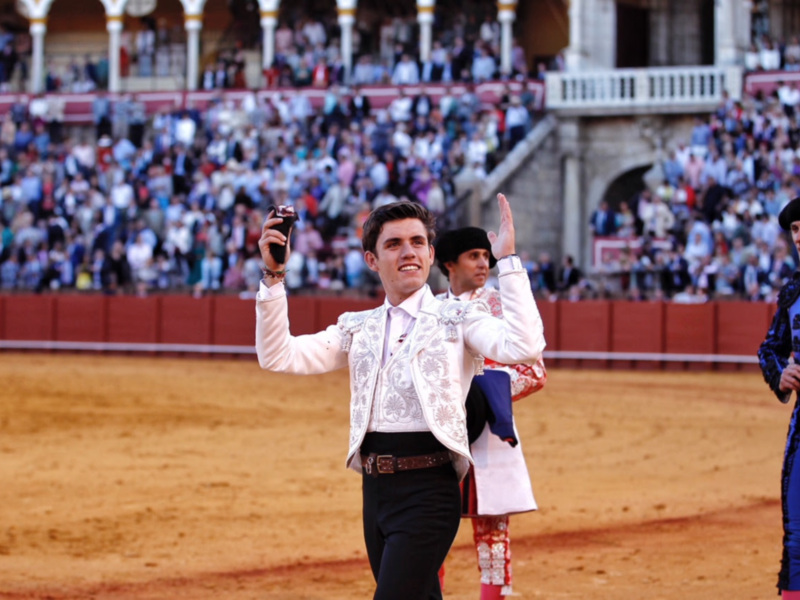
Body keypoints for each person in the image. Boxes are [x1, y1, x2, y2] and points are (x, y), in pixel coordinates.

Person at [255, 196, 546, 600]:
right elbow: (277, 355)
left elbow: (525, 347)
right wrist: (273, 276)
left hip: (430, 489)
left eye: (417, 242)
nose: (408, 251)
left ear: (430, 253)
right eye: (393, 244)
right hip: (374, 491)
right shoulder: (357, 327)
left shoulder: (458, 318)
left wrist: (509, 262)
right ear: (372, 260)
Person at [433, 226, 546, 599]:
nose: (484, 263)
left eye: (487, 256)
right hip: (438, 434)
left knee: (493, 533)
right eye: (474, 256)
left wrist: (478, 396)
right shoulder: (430, 308)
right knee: (428, 529)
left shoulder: (500, 305)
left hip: (489, 435)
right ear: (450, 264)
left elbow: (534, 371)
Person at [759, 196, 800, 600]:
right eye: (795, 229)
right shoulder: (792, 293)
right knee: (798, 535)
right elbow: (769, 348)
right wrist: (782, 374)